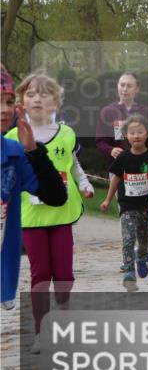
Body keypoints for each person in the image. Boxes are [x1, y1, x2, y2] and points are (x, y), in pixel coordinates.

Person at [6, 72, 94, 350]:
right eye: (30, 94)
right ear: (21, 102)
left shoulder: (66, 134)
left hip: (62, 214)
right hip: (31, 217)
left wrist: (84, 182)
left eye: (43, 94)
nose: (36, 99)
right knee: (40, 273)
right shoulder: (11, 136)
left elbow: (74, 164)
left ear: (56, 103)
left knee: (64, 274)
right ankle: (41, 331)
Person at [0, 68, 69, 313]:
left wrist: (34, 152)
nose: (5, 109)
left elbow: (56, 196)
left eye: (8, 101)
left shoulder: (13, 152)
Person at [100, 114, 148, 291]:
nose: (136, 135)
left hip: (146, 205)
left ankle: (142, 256)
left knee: (144, 239)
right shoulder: (122, 158)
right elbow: (115, 179)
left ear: (147, 134)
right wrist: (107, 199)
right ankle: (129, 271)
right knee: (128, 238)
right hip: (127, 205)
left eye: (140, 132)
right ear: (126, 136)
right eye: (132, 132)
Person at [96, 72, 148, 159]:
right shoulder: (107, 112)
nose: (125, 89)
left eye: (129, 86)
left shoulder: (146, 112)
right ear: (117, 86)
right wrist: (110, 150)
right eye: (122, 85)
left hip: (144, 165)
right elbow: (100, 141)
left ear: (137, 89)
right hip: (118, 166)